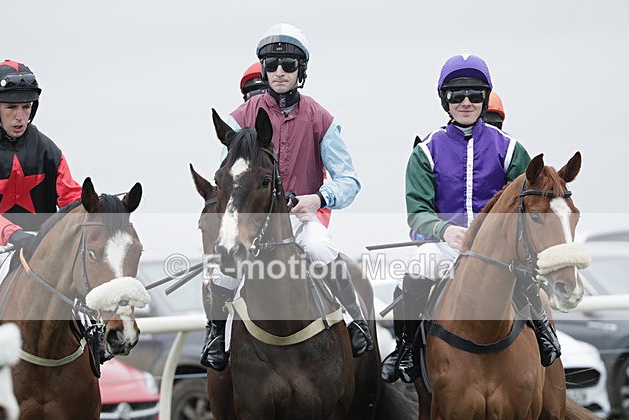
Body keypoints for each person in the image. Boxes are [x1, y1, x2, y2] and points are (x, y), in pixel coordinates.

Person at [200, 23, 373, 371]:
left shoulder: (321, 118)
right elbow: (226, 179)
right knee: (223, 272)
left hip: (303, 219)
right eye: (272, 64)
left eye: (288, 65)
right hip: (253, 222)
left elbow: (350, 181)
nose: (280, 71)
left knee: (321, 248)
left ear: (301, 71)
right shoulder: (239, 119)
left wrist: (318, 197)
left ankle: (356, 322)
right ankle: (216, 336)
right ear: (264, 68)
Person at [380, 53, 560, 384]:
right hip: (447, 246)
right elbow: (417, 211)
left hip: (498, 248)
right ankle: (404, 348)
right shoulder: (426, 152)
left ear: (484, 98)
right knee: (417, 267)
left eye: (475, 95)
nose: (466, 102)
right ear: (444, 100)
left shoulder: (510, 149)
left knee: (528, 277)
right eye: (457, 95)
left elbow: (528, 203)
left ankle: (545, 335)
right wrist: (444, 231)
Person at [0, 60, 82, 287]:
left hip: (41, 238)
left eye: (26, 107)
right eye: (11, 108)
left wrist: (98, 207)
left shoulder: (48, 149)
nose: (20, 117)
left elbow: (71, 197)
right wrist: (11, 234)